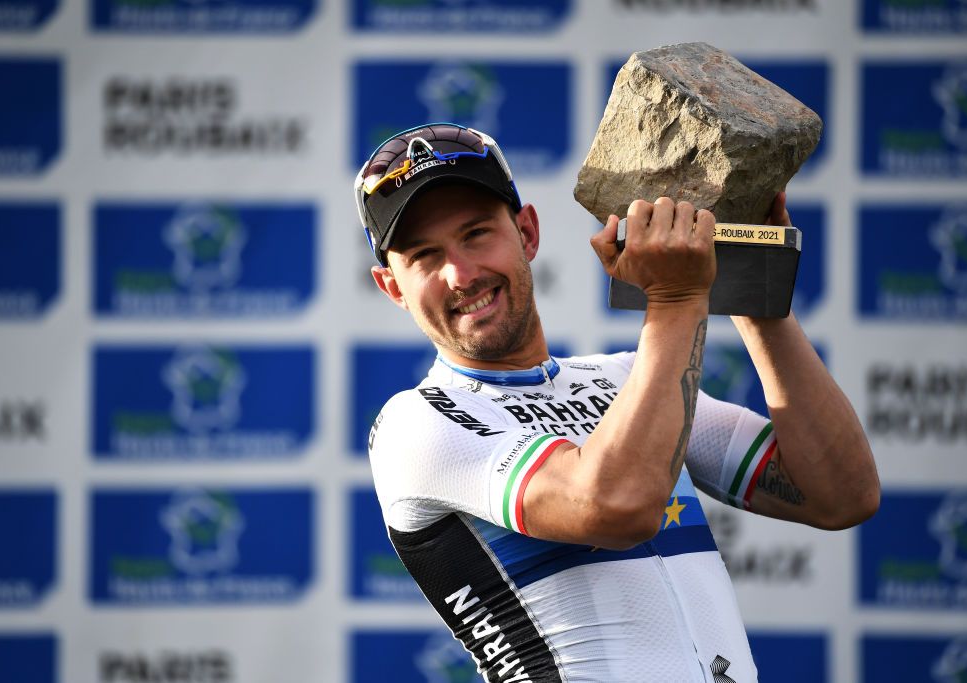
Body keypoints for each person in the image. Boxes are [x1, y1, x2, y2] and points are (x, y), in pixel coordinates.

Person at [355, 122, 879, 683]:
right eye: (425, 257)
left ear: (528, 232)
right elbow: (616, 506)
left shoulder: (628, 377)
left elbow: (841, 495)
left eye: (478, 233)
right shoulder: (417, 423)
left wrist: (748, 285)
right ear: (393, 287)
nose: (460, 274)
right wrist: (678, 297)